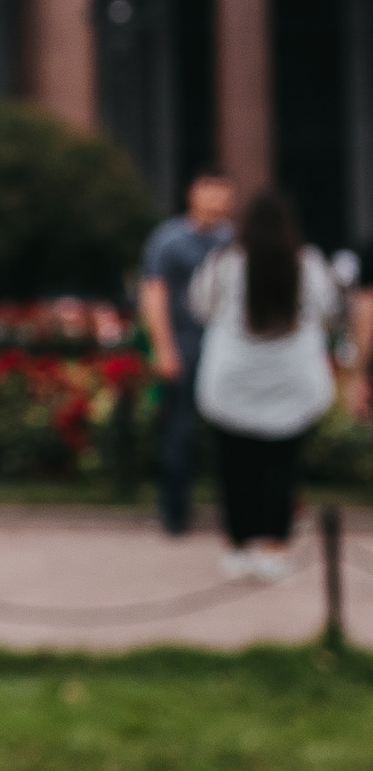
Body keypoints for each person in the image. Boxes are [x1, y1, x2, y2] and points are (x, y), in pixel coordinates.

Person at [191, 188, 342, 579]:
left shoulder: (225, 263)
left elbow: (200, 306)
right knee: (282, 467)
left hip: (232, 383)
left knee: (234, 469)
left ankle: (238, 546)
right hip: (292, 382)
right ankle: (275, 546)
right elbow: (328, 310)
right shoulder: (308, 264)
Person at [138, 170, 237, 538]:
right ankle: (175, 513)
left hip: (227, 352)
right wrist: (164, 348)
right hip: (185, 348)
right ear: (193, 194)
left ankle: (237, 513)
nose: (214, 200)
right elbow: (154, 294)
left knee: (233, 436)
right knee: (179, 433)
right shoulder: (169, 240)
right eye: (208, 191)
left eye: (221, 193)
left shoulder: (235, 241)